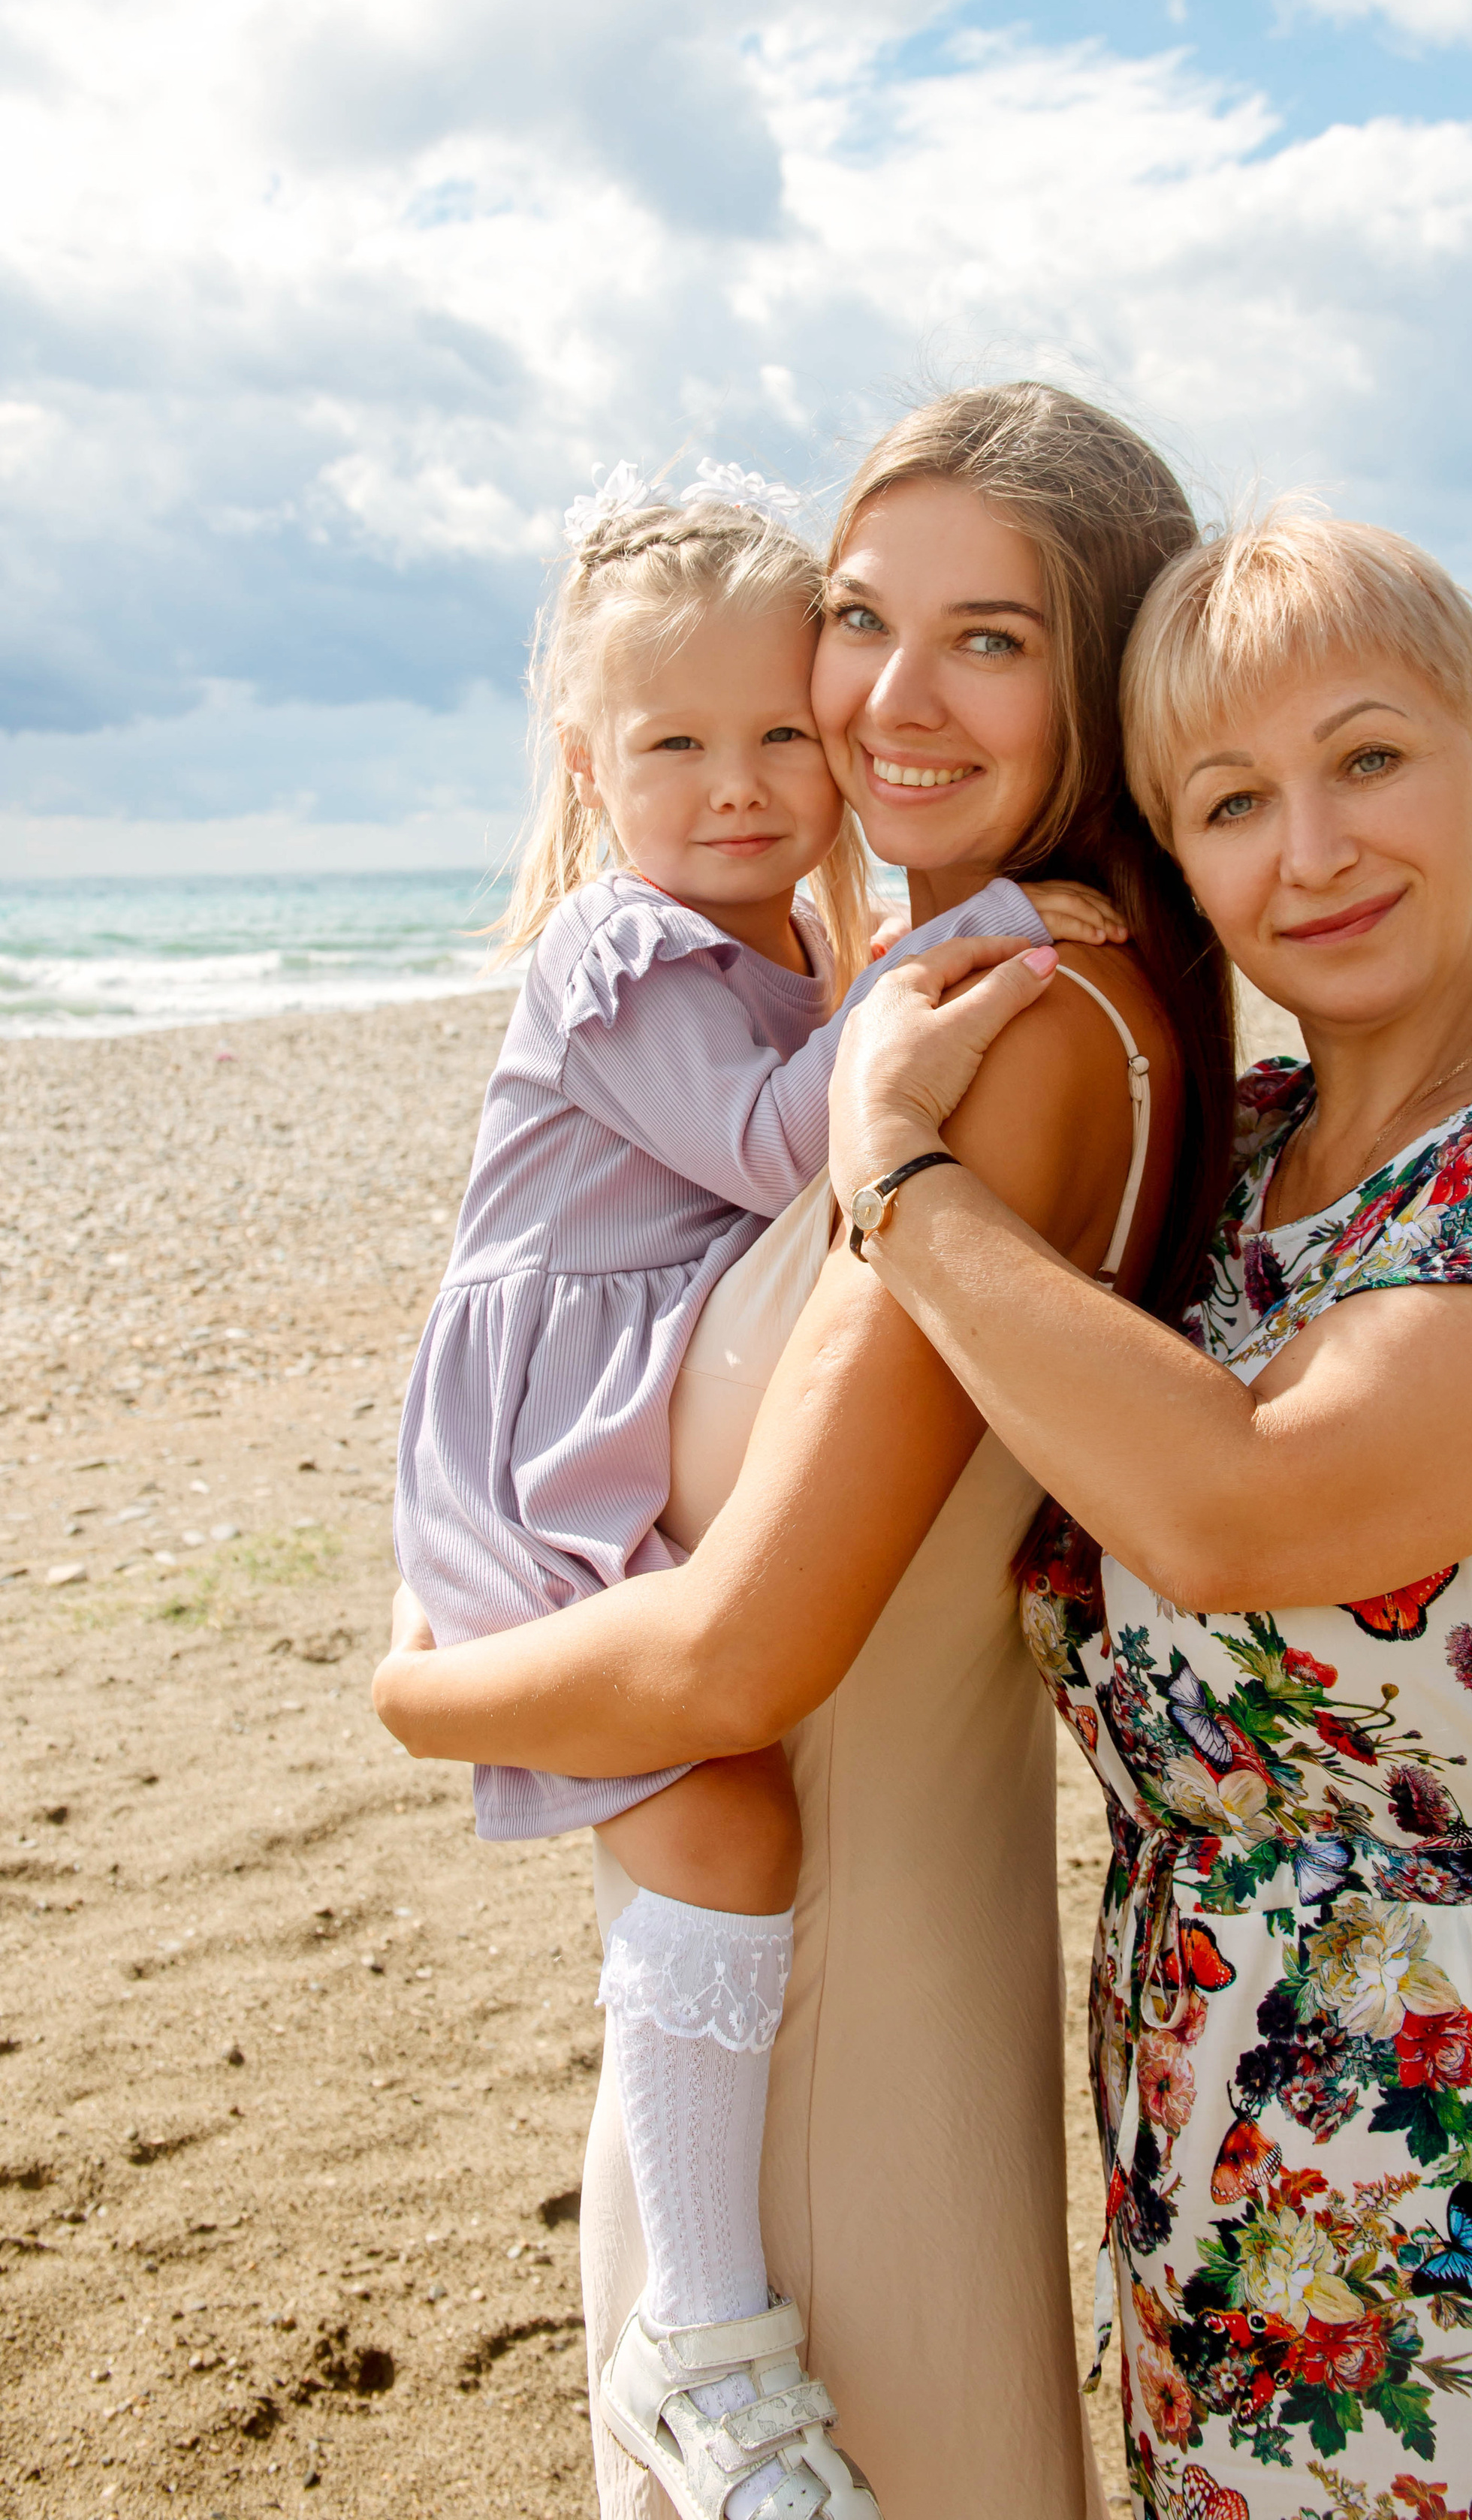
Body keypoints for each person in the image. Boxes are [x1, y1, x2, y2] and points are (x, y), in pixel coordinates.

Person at [818, 506, 1472, 2520]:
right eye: (1232, 803)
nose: (1310, 852)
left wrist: (894, 1171)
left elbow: (1249, 1506)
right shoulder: (1235, 1168)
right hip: (1240, 2199)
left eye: (1368, 758)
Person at [373, 384, 1238, 2519]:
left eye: (991, 638)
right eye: (863, 618)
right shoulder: (911, 1000)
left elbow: (742, 1654)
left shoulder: (995, 1035)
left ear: (1105, 677)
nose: (885, 701)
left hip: (834, 2014)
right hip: (795, 1972)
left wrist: (416, 1691)